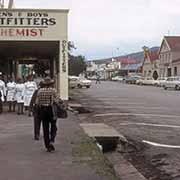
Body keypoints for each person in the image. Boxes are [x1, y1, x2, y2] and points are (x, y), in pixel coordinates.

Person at [36, 77, 58, 152]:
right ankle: (52, 140)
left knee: (45, 128)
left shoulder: (40, 91)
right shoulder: (53, 91)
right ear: (51, 84)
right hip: (51, 110)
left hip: (42, 110)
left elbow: (37, 102)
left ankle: (47, 145)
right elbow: (56, 100)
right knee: (53, 126)